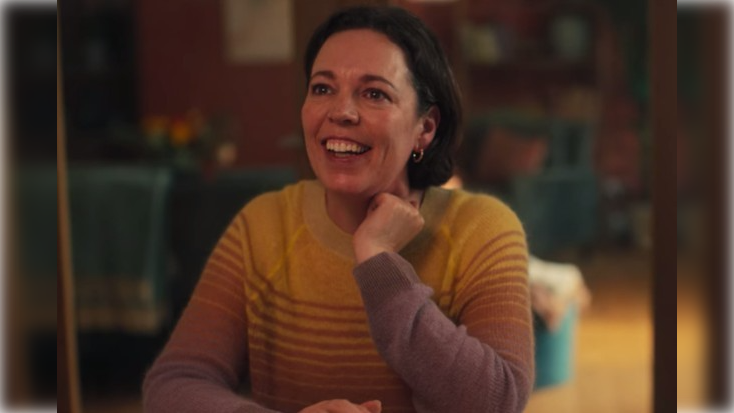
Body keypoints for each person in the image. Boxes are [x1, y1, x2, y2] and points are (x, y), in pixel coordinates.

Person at [143, 6, 533, 413]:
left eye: (374, 93)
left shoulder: (482, 229)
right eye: (323, 89)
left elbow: (498, 400)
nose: (340, 112)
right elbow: (174, 382)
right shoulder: (262, 226)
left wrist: (380, 260)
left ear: (426, 128)